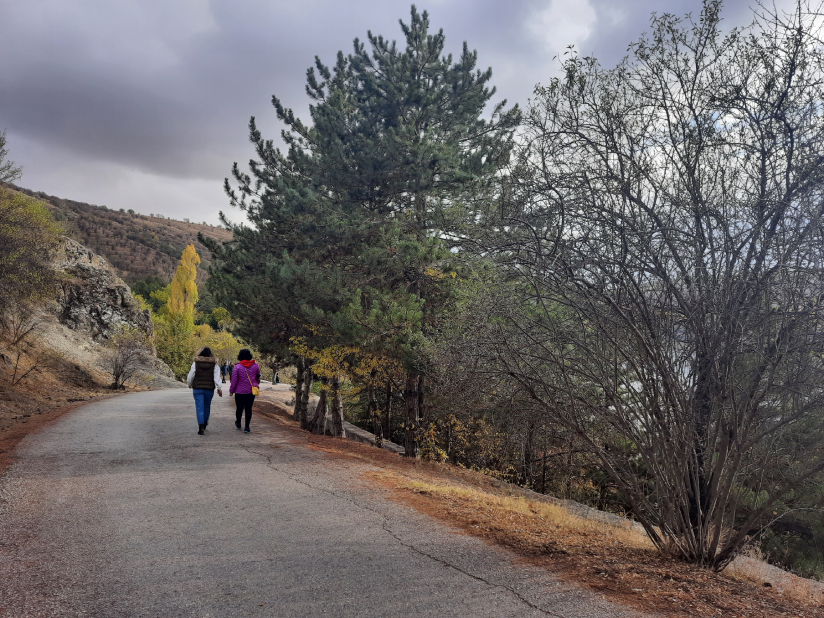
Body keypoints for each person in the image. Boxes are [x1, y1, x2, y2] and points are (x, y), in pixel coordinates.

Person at [186, 346, 222, 435]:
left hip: (197, 388)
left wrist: (190, 383)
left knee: (199, 407)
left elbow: (191, 375)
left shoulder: (196, 363)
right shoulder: (214, 364)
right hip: (209, 388)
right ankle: (205, 422)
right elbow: (216, 377)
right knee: (206, 406)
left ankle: (200, 426)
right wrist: (219, 388)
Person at [229, 348, 260, 434]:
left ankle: (238, 422)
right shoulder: (255, 365)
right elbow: (258, 377)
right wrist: (256, 384)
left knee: (239, 408)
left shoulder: (237, 367)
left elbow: (234, 380)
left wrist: (232, 390)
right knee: (248, 408)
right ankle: (247, 427)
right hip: (251, 391)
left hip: (239, 392)